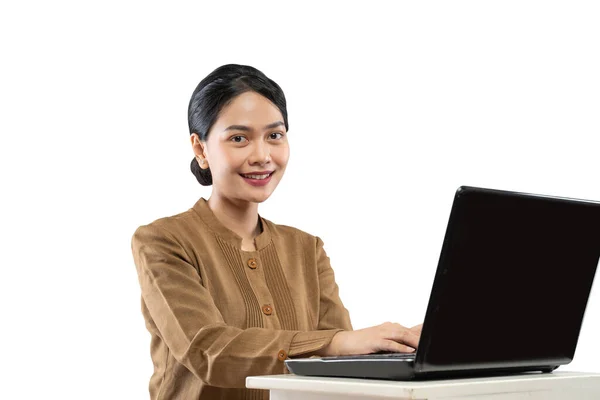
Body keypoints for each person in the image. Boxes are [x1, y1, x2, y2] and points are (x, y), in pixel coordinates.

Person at [131, 64, 422, 400]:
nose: (262, 156)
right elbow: (207, 350)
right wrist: (336, 342)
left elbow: (339, 364)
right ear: (200, 149)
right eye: (239, 138)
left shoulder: (306, 248)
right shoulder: (163, 241)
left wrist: (402, 346)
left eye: (275, 135)